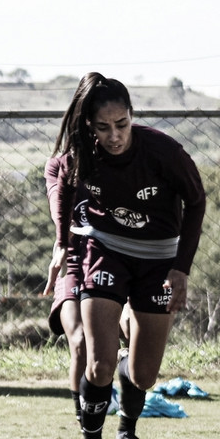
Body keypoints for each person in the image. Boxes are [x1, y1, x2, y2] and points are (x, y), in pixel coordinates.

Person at [48, 72, 205, 439]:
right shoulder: (81, 154)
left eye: (122, 124)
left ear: (132, 116)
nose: (115, 135)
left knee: (144, 376)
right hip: (105, 251)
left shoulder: (163, 151)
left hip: (158, 260)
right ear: (88, 126)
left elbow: (197, 201)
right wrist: (62, 243)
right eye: (103, 127)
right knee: (96, 362)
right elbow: (61, 185)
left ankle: (126, 429)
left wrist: (181, 267)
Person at [43, 141, 133, 424]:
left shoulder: (125, 161)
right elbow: (62, 215)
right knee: (81, 341)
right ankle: (87, 430)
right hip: (74, 260)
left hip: (116, 258)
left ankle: (127, 429)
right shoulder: (59, 165)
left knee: (132, 331)